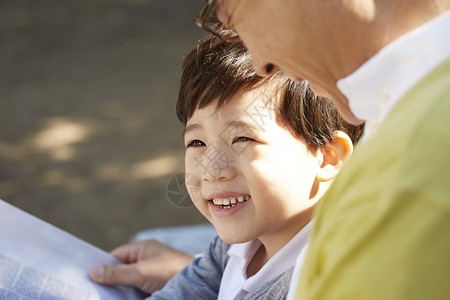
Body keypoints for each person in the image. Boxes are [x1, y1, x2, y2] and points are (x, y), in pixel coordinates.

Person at [193, 0, 450, 299]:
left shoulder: (425, 149)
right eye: (196, 143)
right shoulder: (400, 114)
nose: (260, 62)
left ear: (330, 155)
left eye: (236, 19)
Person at [150, 27, 363, 299]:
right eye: (197, 143)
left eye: (242, 139)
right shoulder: (237, 246)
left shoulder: (322, 280)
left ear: (327, 157)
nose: (212, 171)